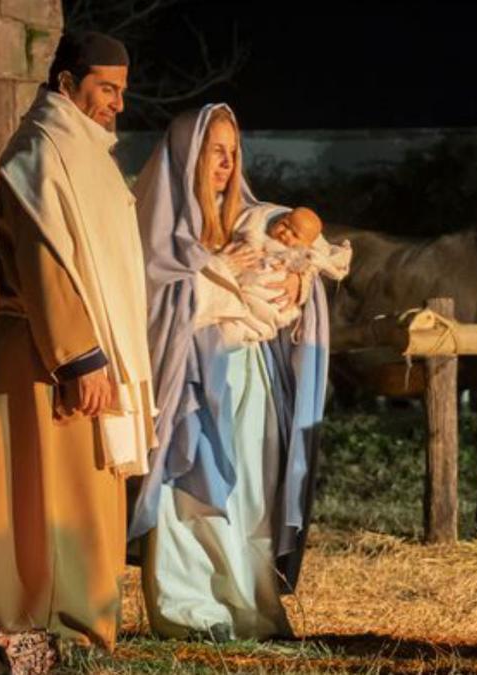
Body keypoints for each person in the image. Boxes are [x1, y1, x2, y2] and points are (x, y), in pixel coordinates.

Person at [0, 31, 157, 651]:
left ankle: (80, 615)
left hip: (77, 348)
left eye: (122, 91)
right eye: (106, 88)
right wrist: (79, 357)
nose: (117, 104)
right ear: (66, 84)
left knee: (86, 490)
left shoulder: (86, 150)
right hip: (49, 353)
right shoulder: (41, 152)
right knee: (46, 489)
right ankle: (41, 618)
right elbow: (48, 263)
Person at [128, 103, 330, 642]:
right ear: (189, 154)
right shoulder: (161, 228)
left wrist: (299, 285)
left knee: (251, 494)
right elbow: (150, 301)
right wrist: (214, 277)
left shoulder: (253, 219)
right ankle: (190, 607)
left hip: (252, 374)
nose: (226, 161)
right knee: (188, 492)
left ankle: (251, 606)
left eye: (232, 151)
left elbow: (302, 253)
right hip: (192, 376)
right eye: (215, 150)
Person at [235, 205, 352, 340]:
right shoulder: (260, 235)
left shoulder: (300, 255)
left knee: (268, 308)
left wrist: (297, 275)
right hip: (247, 284)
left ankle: (252, 327)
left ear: (306, 244)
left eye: (295, 235)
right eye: (284, 225)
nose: (285, 233)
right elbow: (248, 240)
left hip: (272, 297)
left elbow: (308, 268)